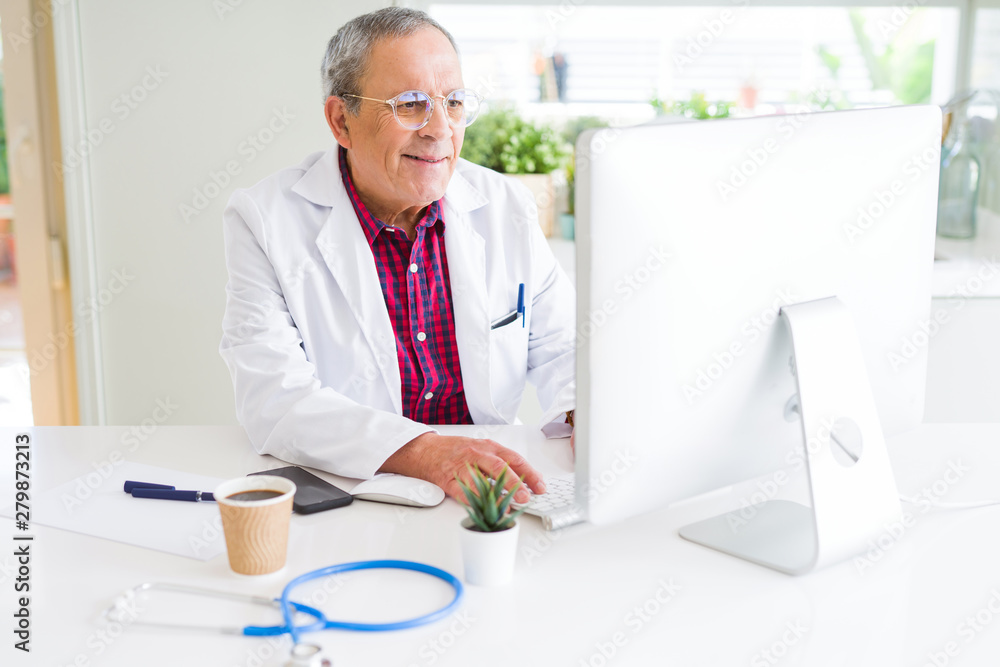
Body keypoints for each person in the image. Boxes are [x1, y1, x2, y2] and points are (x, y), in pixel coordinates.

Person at [219, 7, 575, 503]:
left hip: (489, 490)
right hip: (355, 490)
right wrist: (427, 453)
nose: (439, 129)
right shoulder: (265, 218)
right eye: (410, 104)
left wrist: (586, 413)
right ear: (341, 120)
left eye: (452, 102)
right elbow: (274, 400)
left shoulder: (504, 205)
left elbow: (565, 345)